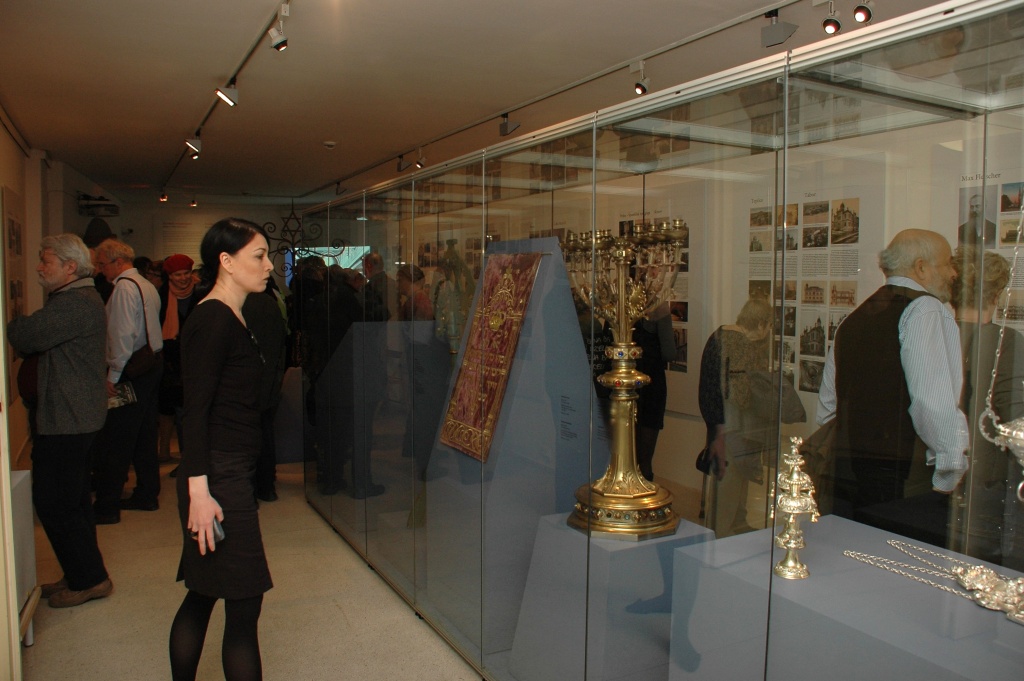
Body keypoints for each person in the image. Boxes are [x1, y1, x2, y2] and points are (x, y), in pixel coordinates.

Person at [169, 218, 274, 681]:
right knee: (244, 601)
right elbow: (194, 411)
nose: (269, 266)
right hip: (218, 480)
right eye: (259, 256)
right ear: (226, 262)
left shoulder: (230, 314)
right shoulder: (213, 318)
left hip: (227, 473)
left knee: (204, 592)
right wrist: (199, 491)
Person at [817, 229, 969, 545]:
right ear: (921, 267)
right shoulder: (927, 310)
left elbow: (828, 407)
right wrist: (950, 470)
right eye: (947, 263)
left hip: (848, 475)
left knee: (853, 557)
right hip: (904, 482)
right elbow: (932, 403)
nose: (953, 273)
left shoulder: (854, 318)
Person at [8, 234, 112, 608]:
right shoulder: (75, 299)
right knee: (73, 500)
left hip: (69, 418)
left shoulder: (74, 303)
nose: (39, 267)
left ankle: (89, 579)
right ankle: (84, 573)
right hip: (72, 415)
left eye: (46, 261)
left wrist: (16, 327)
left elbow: (25, 334)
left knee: (55, 502)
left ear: (70, 267)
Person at [950, 247, 1024, 567]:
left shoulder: (936, 332)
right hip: (986, 480)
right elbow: (1015, 417)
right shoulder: (1006, 341)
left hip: (936, 473)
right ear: (997, 294)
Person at [91, 238, 164, 524]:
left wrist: (112, 375)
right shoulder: (146, 284)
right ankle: (147, 493)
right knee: (144, 435)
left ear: (118, 262)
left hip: (132, 368)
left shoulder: (124, 288)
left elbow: (121, 336)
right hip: (150, 364)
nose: (100, 269)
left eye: (102, 264)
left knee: (117, 438)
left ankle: (107, 505)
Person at [698, 298, 773, 538]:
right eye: (769, 325)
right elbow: (740, 394)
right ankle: (725, 533)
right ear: (760, 324)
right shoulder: (741, 344)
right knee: (730, 483)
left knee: (732, 480)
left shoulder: (719, 335)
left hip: (718, 422)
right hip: (733, 426)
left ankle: (735, 525)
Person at [243, 277, 288, 502]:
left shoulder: (239, 303)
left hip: (247, 383)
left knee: (247, 436)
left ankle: (250, 488)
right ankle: (266, 485)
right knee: (265, 433)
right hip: (268, 379)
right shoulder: (270, 303)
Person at [158, 254, 199, 467]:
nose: (183, 278)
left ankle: (191, 459)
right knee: (176, 411)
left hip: (196, 361)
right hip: (172, 364)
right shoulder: (161, 296)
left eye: (186, 273)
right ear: (169, 276)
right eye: (177, 275)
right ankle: (185, 458)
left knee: (190, 414)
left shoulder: (202, 292)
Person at [634, 302, 677, 481]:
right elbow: (669, 353)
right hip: (651, 381)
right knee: (645, 457)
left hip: (624, 381)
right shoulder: (658, 307)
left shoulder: (616, 303)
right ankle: (644, 490)